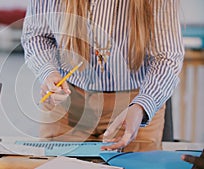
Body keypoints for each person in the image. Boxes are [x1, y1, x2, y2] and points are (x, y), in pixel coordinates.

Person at [22, 0, 184, 152]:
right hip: (67, 103)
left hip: (132, 106)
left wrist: (142, 106)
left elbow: (167, 57)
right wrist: (49, 72)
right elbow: (36, 36)